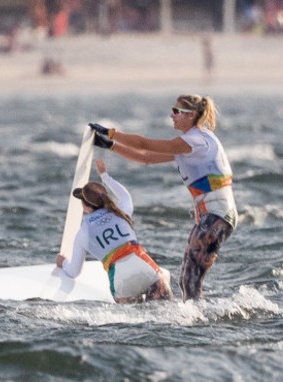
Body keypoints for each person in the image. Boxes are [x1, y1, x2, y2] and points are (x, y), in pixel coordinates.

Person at [89, 94, 237, 301]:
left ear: (192, 115)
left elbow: (144, 144)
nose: (172, 115)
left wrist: (111, 133)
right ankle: (192, 317)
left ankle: (199, 324)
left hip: (217, 216)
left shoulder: (196, 141)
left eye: (177, 112)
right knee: (186, 279)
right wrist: (108, 145)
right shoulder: (191, 142)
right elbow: (146, 158)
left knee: (190, 280)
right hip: (213, 216)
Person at [56, 159, 173, 304]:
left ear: (85, 206)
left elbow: (73, 272)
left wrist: (63, 263)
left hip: (121, 281)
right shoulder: (121, 212)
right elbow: (125, 195)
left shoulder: (83, 233)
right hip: (145, 267)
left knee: (135, 323)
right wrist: (105, 176)